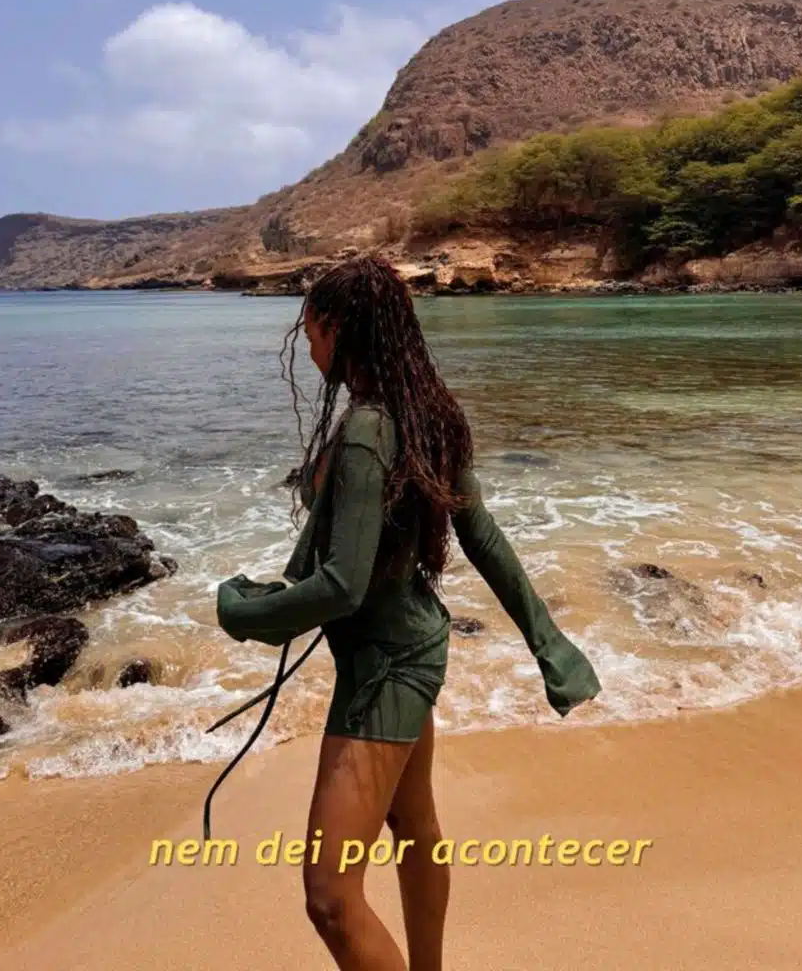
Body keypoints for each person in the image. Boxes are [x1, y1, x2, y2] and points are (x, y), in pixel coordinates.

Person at [216, 255, 601, 971]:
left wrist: (245, 615)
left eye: (311, 332)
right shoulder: (425, 414)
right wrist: (549, 642)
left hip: (385, 668)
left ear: (337, 329)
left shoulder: (369, 429)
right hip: (412, 646)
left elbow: (342, 587)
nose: (308, 348)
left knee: (330, 896)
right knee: (415, 825)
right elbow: (482, 535)